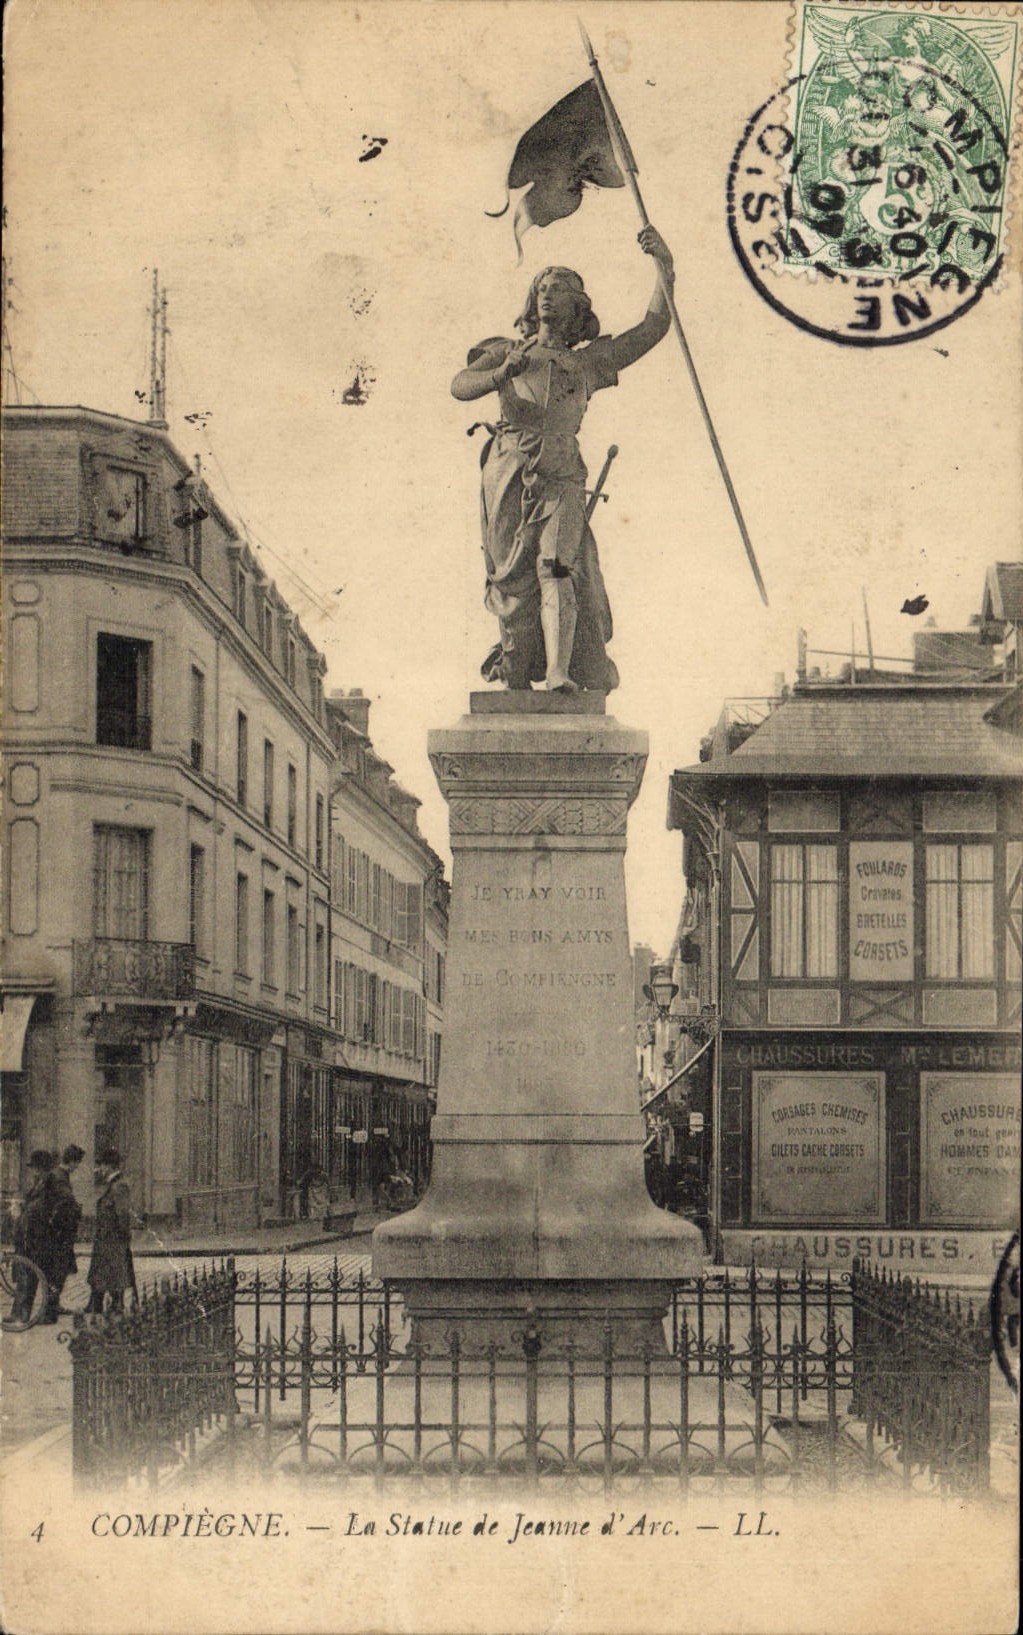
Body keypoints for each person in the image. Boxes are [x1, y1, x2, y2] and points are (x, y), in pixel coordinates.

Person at [451, 226, 675, 692]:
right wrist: (499, 374)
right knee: (510, 576)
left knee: (557, 565)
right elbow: (459, 385)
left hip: (562, 468)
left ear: (578, 307)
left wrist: (664, 269)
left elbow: (652, 328)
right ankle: (515, 666)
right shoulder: (506, 350)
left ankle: (558, 672)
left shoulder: (590, 362)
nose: (548, 295)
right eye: (542, 288)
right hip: (510, 466)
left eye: (559, 290)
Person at [6, 1149, 58, 1326]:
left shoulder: (49, 1184)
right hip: (29, 1235)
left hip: (37, 1237)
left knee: (30, 1275)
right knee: (24, 1274)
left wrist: (24, 1211)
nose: (35, 1172)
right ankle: (19, 1312)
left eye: (37, 1168)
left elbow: (43, 1209)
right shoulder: (40, 1183)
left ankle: (24, 1314)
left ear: (42, 1168)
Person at [85, 1149, 136, 1316]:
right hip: (106, 1237)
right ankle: (96, 1303)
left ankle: (116, 1304)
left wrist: (123, 1235)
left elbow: (122, 1214)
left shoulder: (119, 1185)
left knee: (114, 1272)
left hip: (113, 1237)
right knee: (103, 1271)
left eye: (100, 1165)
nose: (98, 1169)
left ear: (109, 1166)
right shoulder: (112, 1184)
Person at [42, 1143, 84, 1322]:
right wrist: (77, 1210)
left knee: (58, 1270)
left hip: (58, 1233)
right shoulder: (60, 1177)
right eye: (77, 1163)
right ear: (72, 1161)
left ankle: (53, 1305)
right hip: (59, 1234)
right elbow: (65, 1203)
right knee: (57, 1271)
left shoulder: (59, 1175)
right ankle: (49, 1311)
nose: (77, 1167)